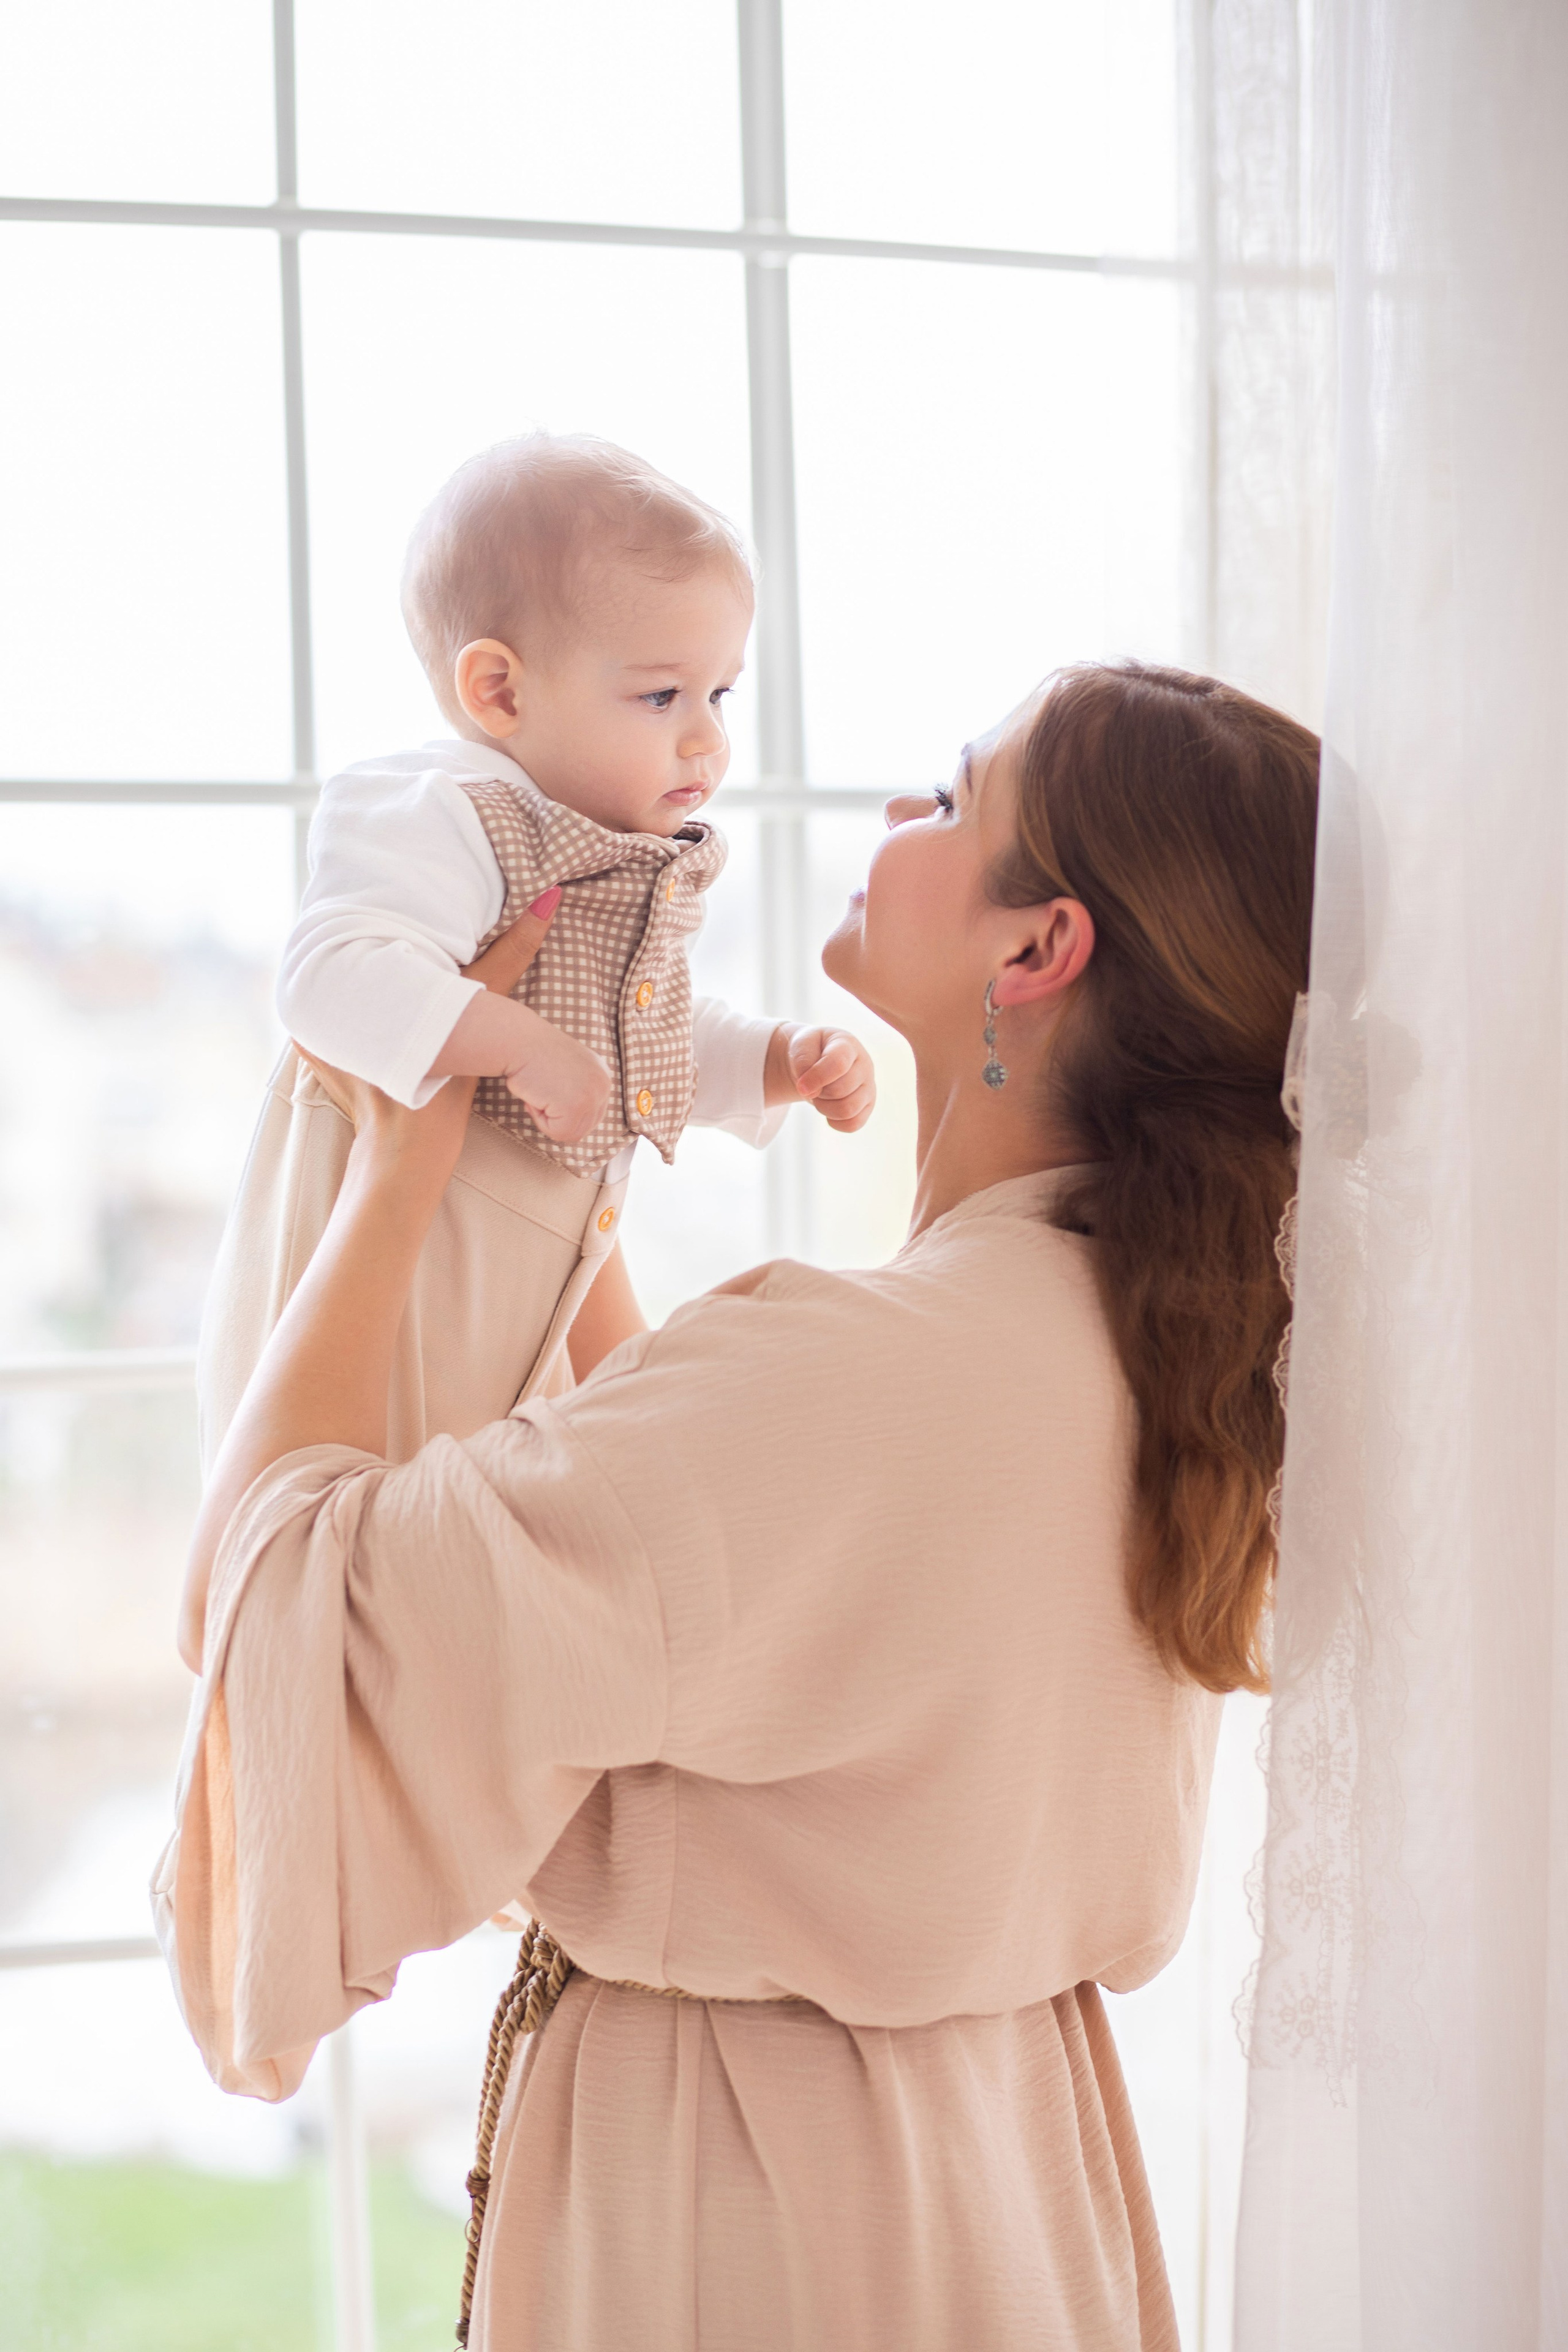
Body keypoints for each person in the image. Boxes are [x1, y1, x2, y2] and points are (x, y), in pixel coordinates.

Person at [159, 660, 1319, 2350]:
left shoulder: (856, 1375)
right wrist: (569, 1183)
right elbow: (673, 1503)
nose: (896, 813)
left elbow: (295, 1608)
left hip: (745, 2209)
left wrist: (399, 1172)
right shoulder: (1157, 1358)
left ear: (1037, 949)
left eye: (952, 796)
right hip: (1012, 2182)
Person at [197, 431, 875, 1466]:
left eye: (719, 695)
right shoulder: (443, 811)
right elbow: (328, 976)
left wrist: (776, 1058)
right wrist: (516, 1044)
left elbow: (629, 1029)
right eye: (662, 695)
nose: (707, 738)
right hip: (375, 1299)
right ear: (501, 694)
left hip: (514, 1312)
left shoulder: (599, 850)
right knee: (355, 1507)